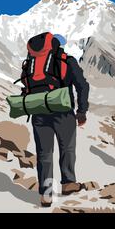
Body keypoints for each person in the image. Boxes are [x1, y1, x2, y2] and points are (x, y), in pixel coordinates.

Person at [21, 33, 89, 207]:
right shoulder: (66, 60)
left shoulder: (31, 62)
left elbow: (26, 84)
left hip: (39, 111)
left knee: (44, 154)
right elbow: (82, 85)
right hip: (63, 112)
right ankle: (68, 183)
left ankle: (46, 194)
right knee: (67, 148)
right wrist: (82, 111)